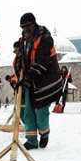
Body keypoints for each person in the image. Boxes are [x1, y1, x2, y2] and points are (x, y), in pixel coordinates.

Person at [16, 12, 62, 150]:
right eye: (23, 27)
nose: (26, 30)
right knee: (28, 112)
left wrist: (27, 78)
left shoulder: (45, 39)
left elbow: (42, 63)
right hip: (32, 80)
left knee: (40, 112)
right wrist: (20, 70)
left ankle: (44, 134)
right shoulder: (23, 40)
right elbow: (23, 58)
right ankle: (31, 140)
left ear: (34, 24)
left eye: (28, 26)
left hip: (46, 81)